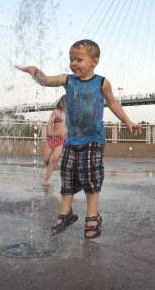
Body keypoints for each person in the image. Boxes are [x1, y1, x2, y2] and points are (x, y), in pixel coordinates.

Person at [17, 39, 142, 239]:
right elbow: (47, 80)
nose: (74, 63)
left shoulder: (101, 82)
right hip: (72, 140)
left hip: (93, 139)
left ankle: (92, 215)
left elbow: (113, 103)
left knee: (90, 177)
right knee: (67, 175)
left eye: (79, 59)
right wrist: (35, 72)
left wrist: (128, 121)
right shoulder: (68, 80)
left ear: (94, 61)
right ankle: (66, 213)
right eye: (71, 59)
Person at [41, 95, 66, 186]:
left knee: (53, 159)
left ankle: (46, 180)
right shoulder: (56, 112)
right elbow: (49, 123)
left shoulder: (71, 114)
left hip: (62, 141)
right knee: (46, 159)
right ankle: (49, 171)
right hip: (52, 138)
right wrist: (49, 133)